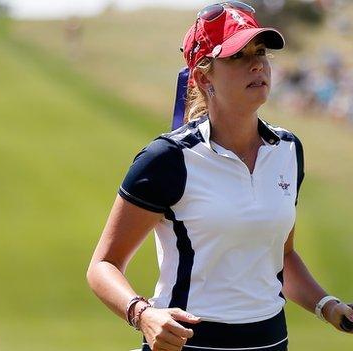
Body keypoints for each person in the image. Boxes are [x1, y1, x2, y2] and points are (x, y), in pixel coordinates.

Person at [86, 2, 353, 350]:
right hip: (189, 343)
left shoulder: (287, 150)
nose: (257, 63)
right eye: (238, 56)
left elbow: (281, 256)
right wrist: (143, 314)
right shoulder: (167, 159)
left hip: (272, 342)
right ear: (203, 77)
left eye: (260, 52)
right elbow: (103, 264)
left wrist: (326, 306)